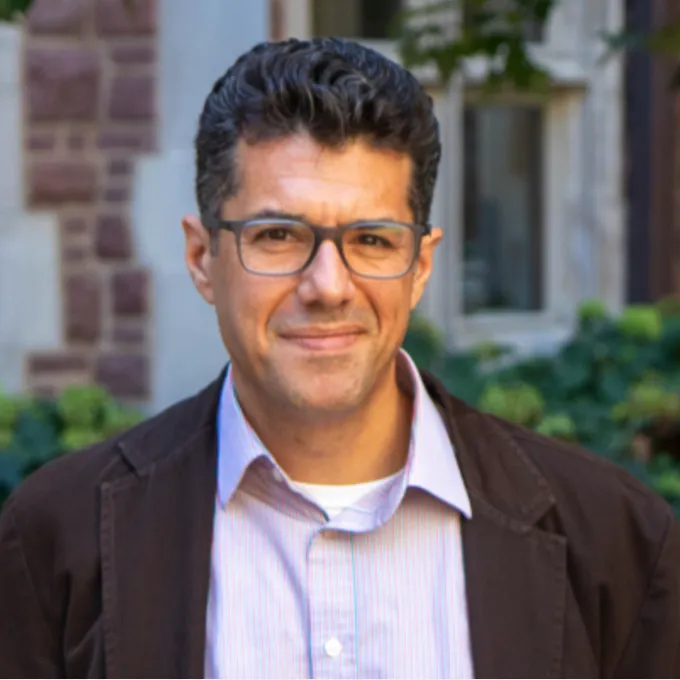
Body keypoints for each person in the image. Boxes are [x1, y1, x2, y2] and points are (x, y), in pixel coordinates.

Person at [0, 37, 679, 680]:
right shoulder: (57, 539)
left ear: (420, 265)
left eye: (373, 240)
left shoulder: (615, 541)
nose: (328, 287)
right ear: (202, 257)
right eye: (277, 235)